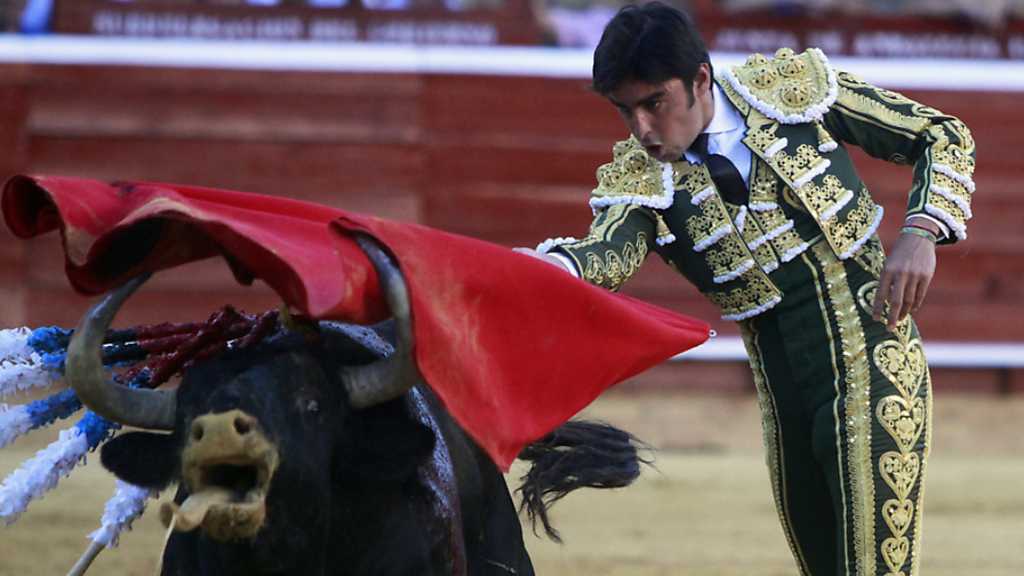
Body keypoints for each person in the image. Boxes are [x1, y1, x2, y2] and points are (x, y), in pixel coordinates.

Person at [515, 3, 975, 575]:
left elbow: (940, 133)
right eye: (625, 110)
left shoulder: (793, 92)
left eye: (654, 103)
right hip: (784, 400)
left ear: (699, 80)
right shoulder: (639, 180)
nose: (642, 129)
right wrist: (533, 270)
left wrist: (921, 231)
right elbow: (603, 255)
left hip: (873, 364)